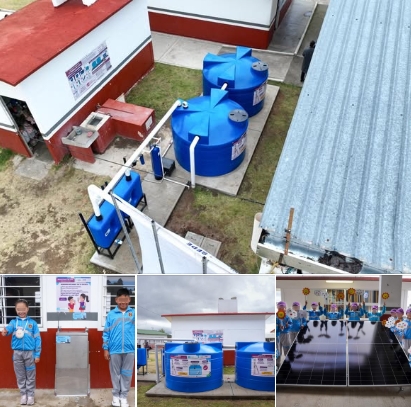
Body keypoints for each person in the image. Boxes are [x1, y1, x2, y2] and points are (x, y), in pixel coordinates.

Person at [1, 299, 41, 406]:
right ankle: (23, 395)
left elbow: (38, 339)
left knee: (30, 375)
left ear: (27, 309)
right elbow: (8, 329)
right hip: (17, 354)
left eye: (23, 309)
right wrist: (5, 331)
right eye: (18, 309)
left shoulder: (33, 323)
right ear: (15, 310)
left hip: (30, 354)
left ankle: (30, 395)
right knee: (20, 375)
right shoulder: (13, 322)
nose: (21, 311)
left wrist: (37, 354)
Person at [103, 288, 135, 407]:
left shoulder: (134, 313)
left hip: (129, 350)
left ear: (129, 299)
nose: (123, 302)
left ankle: (124, 396)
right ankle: (116, 396)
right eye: (120, 300)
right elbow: (106, 332)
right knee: (115, 374)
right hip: (114, 350)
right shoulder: (111, 315)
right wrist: (105, 348)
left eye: (125, 300)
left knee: (127, 374)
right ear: (116, 300)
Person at [276, 301, 292, 367]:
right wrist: (278, 326)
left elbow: (291, 324)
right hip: (277, 335)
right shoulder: (276, 316)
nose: (281, 309)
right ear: (277, 308)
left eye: (283, 308)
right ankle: (278, 364)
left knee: (287, 349)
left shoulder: (287, 317)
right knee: (277, 351)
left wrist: (288, 325)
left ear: (285, 308)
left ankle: (289, 363)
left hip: (285, 334)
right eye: (280, 308)